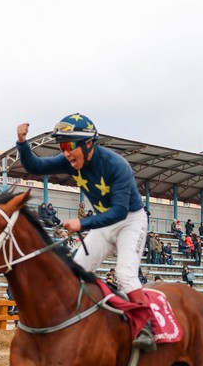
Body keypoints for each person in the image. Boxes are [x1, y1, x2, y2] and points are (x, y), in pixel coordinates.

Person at [15, 114, 156, 352]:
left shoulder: (117, 165)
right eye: (62, 146)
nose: (66, 152)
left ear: (88, 144)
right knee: (74, 272)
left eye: (70, 146)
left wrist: (83, 223)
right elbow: (35, 166)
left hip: (131, 220)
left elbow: (120, 212)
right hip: (103, 222)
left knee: (124, 274)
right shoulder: (70, 160)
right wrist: (22, 143)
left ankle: (147, 328)